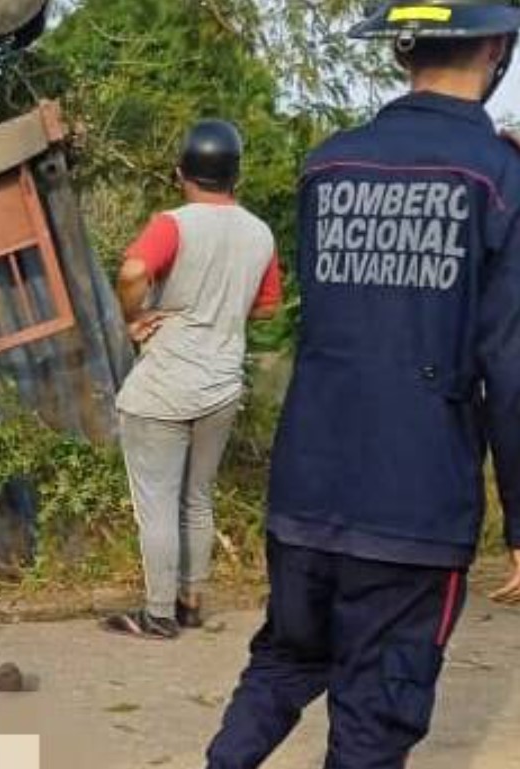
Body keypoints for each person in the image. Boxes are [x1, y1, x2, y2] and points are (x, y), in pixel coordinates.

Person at [206, 2, 520, 766]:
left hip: (306, 486)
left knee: (284, 659)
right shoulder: (500, 179)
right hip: (413, 503)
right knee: (376, 714)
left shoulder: (329, 162)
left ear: (398, 52)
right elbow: (509, 362)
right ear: (500, 50)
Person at [103, 120, 283, 640]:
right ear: (235, 176)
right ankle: (190, 600)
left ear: (182, 173)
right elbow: (267, 311)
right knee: (197, 496)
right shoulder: (260, 233)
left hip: (162, 387)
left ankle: (157, 614)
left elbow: (134, 272)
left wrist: (133, 316)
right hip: (222, 387)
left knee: (156, 503)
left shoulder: (173, 224)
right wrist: (219, 311)